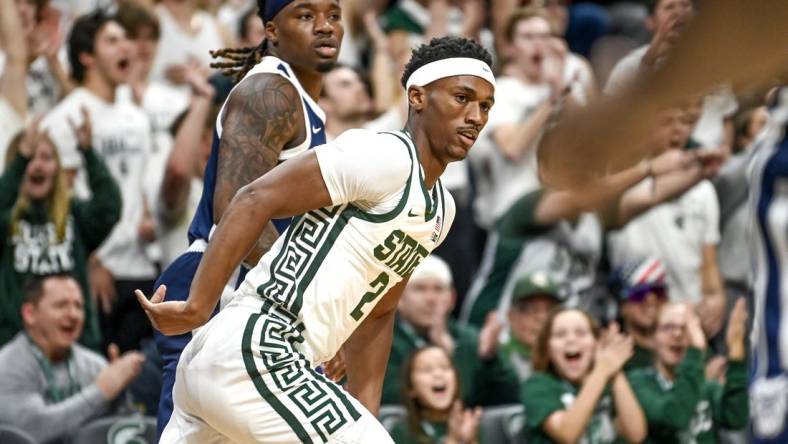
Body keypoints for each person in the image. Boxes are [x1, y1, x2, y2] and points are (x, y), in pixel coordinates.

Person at [136, 35, 496, 443]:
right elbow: (254, 197)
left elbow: (379, 313)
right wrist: (199, 304)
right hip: (260, 349)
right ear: (417, 96)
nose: (475, 116)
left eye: (485, 106)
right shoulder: (384, 156)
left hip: (245, 363)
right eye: (462, 98)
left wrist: (365, 417)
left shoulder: (440, 210)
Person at [150, 0, 344, 435]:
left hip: (258, 289)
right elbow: (237, 209)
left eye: (333, 15)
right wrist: (309, 307)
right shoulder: (267, 95)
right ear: (272, 30)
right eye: (306, 15)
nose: (325, 27)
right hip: (221, 282)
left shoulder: (301, 100)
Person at [41, 11, 157, 353]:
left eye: (126, 39)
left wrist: (148, 218)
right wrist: (90, 261)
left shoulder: (137, 116)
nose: (127, 47)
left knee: (137, 378)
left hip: (139, 263)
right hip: (97, 271)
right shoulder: (66, 117)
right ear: (86, 57)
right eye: (112, 40)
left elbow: (139, 183)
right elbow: (58, 198)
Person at [0, 112, 120, 349]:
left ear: (57, 168)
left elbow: (109, 207)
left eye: (46, 157)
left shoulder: (74, 214)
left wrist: (88, 152)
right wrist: (20, 159)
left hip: (75, 345)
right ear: (16, 165)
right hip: (16, 347)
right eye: (28, 157)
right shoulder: (6, 219)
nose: (37, 165)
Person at [0, 275, 144, 443]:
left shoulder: (94, 364)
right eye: (61, 305)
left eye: (79, 306)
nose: (73, 314)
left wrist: (120, 392)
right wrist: (101, 391)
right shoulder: (9, 365)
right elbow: (31, 431)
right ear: (30, 314)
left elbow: (129, 430)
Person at [381, 255, 519, 407]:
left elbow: (510, 398)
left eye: (439, 289)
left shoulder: (472, 340)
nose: (431, 299)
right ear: (399, 298)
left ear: (452, 299)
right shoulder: (381, 341)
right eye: (420, 289)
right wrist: (444, 354)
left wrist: (492, 359)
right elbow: (388, 396)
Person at [629, 300, 749, 442]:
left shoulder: (705, 385)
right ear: (652, 338)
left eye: (686, 328)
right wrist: (696, 351)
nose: (677, 334)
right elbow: (674, 417)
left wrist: (735, 352)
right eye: (668, 327)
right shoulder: (639, 383)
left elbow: (736, 418)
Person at [521, 308, 647, 444]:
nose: (571, 339)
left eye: (581, 333)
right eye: (560, 334)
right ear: (548, 349)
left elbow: (636, 435)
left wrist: (615, 370)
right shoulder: (537, 385)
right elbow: (567, 434)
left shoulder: (606, 383)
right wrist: (602, 370)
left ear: (596, 344)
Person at [389, 345, 482, 444]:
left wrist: (470, 441)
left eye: (445, 367)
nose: (438, 374)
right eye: (427, 370)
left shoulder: (470, 423)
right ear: (411, 388)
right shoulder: (402, 431)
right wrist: (453, 441)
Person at [500, 271, 562, 381]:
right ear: (511, 316)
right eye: (532, 309)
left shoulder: (567, 361)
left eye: (550, 310)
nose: (542, 318)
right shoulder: (498, 359)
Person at [610, 256, 669, 371]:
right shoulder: (616, 357)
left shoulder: (683, 346)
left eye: (657, 291)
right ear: (622, 307)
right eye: (639, 294)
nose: (651, 300)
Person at [318, 64, 373, 141]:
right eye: (345, 84)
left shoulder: (385, 136)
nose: (360, 87)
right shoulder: (314, 149)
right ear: (324, 103)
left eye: (360, 81)